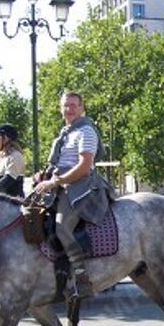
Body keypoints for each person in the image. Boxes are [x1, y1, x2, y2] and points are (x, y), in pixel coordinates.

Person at [34, 91, 110, 299]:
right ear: (61, 108)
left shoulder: (86, 131)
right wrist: (43, 176)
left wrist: (55, 181)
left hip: (80, 186)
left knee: (62, 226)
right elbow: (58, 163)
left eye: (74, 105)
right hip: (59, 183)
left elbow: (84, 166)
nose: (69, 109)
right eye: (66, 105)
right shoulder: (64, 133)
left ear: (81, 108)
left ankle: (82, 276)